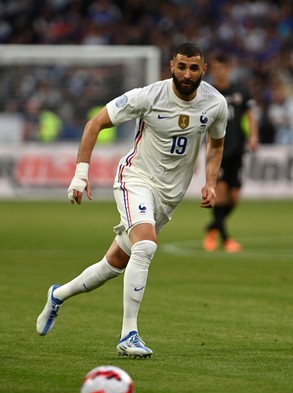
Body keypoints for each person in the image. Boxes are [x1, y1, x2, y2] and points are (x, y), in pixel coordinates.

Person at [36, 42, 228, 358]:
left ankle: (58, 294)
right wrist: (80, 175)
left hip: (169, 197)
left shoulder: (215, 104)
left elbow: (216, 144)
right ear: (171, 66)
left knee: (115, 263)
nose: (187, 73)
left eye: (194, 68)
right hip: (135, 180)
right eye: (182, 66)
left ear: (203, 70)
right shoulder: (148, 96)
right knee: (146, 245)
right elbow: (95, 123)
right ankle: (129, 335)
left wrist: (210, 182)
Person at [202, 54, 259, 253]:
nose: (218, 72)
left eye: (221, 68)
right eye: (215, 68)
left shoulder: (240, 90)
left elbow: (250, 115)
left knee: (234, 197)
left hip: (238, 148)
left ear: (228, 68)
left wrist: (253, 136)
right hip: (218, 149)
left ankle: (212, 227)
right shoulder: (208, 93)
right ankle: (225, 239)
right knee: (221, 192)